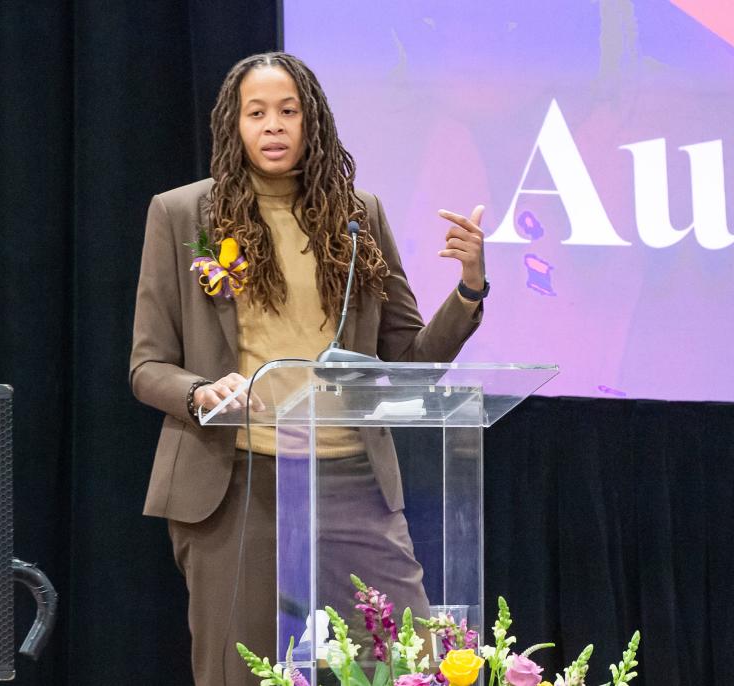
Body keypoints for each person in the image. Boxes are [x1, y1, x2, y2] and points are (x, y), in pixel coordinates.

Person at [129, 51, 488, 686]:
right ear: (232, 125)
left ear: (311, 122)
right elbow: (147, 365)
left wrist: (468, 288)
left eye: (288, 111)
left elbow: (409, 360)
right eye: (257, 112)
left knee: (415, 663)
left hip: (351, 477)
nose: (273, 126)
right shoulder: (184, 215)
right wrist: (203, 392)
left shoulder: (358, 217)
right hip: (237, 480)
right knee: (240, 674)